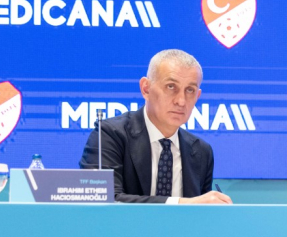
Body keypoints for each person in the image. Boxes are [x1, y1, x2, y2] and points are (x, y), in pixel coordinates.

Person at [79, 50, 231, 204]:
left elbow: (202, 213)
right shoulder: (109, 135)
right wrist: (183, 203)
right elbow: (104, 199)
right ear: (146, 88)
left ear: (197, 96)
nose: (181, 101)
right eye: (171, 87)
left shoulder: (202, 151)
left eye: (190, 90)